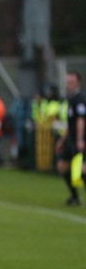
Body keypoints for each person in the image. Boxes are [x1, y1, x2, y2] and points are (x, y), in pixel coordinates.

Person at [55, 71, 86, 206]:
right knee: (62, 166)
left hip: (80, 140)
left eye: (71, 82)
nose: (69, 84)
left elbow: (80, 120)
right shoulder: (70, 99)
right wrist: (62, 140)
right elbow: (70, 123)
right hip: (71, 140)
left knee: (82, 170)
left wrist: (80, 139)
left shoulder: (80, 99)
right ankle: (75, 197)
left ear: (78, 82)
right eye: (68, 82)